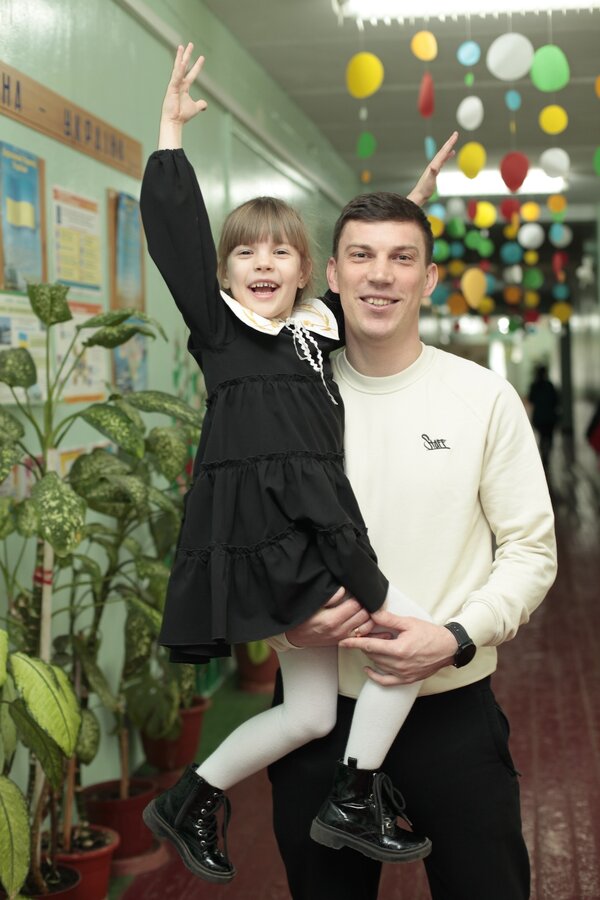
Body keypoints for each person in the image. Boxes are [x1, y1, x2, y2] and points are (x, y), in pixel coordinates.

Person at [139, 43, 458, 884]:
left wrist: (415, 203)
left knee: (312, 712)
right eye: (246, 253)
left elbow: (371, 271)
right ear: (225, 274)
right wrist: (170, 132)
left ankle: (190, 796)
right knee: (414, 635)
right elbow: (175, 236)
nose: (264, 264)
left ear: (304, 272)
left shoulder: (315, 332)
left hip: (311, 545)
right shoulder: (222, 335)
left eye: (280, 252)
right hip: (283, 550)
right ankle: (356, 795)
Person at [268, 192, 558, 900]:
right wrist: (283, 624)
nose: (381, 275)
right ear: (331, 275)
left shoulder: (481, 397)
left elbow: (530, 550)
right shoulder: (283, 402)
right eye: (362, 256)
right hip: (319, 722)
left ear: (428, 278)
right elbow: (242, 543)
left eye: (403, 258)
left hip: (450, 712)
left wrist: (455, 636)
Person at [528, 363, 560, 468]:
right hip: (550, 417)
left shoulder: (534, 386)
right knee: (549, 437)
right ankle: (547, 455)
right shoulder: (549, 385)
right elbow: (556, 400)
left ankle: (543, 455)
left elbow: (530, 399)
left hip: (539, 418)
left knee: (542, 437)